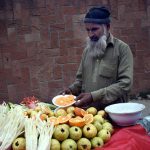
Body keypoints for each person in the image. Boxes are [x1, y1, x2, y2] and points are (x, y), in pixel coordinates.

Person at [60, 6, 133, 110]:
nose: (90, 34)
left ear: (107, 27)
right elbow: (80, 81)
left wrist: (94, 96)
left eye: (94, 29)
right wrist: (71, 90)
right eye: (88, 30)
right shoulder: (87, 51)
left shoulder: (122, 49)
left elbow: (125, 84)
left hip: (114, 114)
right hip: (88, 114)